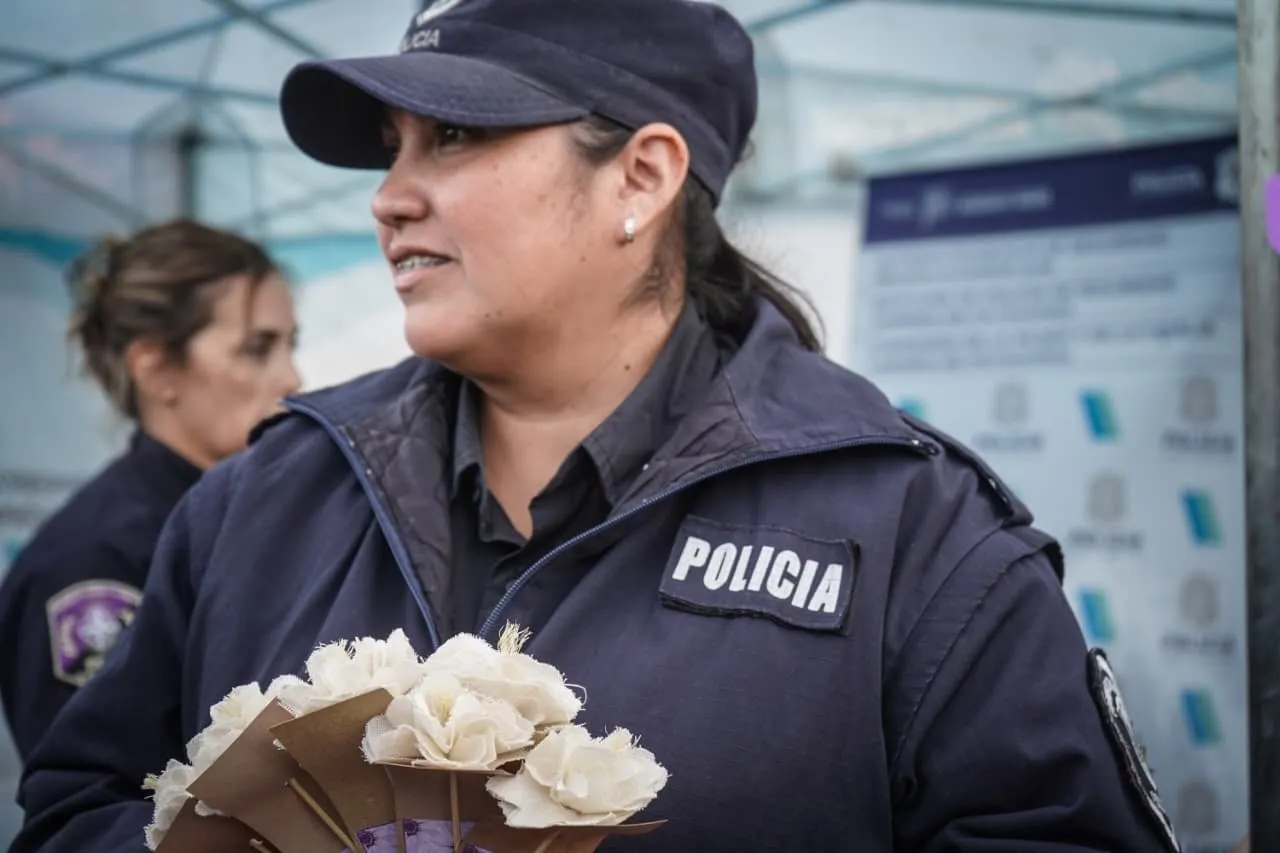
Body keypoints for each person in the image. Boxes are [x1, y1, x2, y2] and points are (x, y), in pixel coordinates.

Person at [12, 2, 1180, 851]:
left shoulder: (910, 531)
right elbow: (74, 808)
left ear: (641, 177)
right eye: (391, 147)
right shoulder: (261, 499)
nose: (388, 196)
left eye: (452, 137)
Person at [0, 220, 301, 762]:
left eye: (289, 345)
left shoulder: (260, 520)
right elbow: (88, 790)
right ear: (156, 369)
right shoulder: (92, 560)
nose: (292, 378)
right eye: (257, 348)